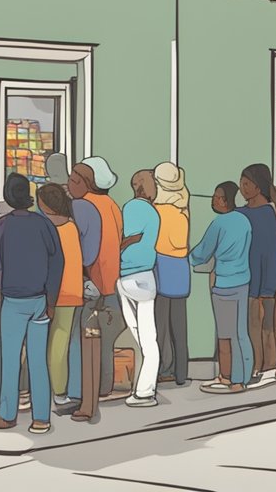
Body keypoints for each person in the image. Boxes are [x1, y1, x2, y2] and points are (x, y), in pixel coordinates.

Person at [0, 174, 63, 434]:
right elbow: (57, 263)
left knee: (10, 359)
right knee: (38, 359)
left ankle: (7, 415)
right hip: (40, 299)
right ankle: (41, 417)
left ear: (8, 197)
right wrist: (51, 299)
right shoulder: (44, 225)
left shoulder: (2, 227)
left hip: (13, 300)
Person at [61, 157, 124, 411]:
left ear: (88, 184)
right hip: (112, 281)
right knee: (105, 339)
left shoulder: (81, 206)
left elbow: (83, 252)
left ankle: (79, 391)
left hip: (89, 281)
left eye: (76, 179)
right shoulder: (112, 205)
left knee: (79, 338)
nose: (70, 182)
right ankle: (103, 386)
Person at [191, 182, 254, 393]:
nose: (213, 200)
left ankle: (228, 377)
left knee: (225, 334)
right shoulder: (244, 221)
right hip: (242, 281)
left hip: (223, 284)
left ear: (227, 200)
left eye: (218, 197)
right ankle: (242, 376)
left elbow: (202, 252)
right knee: (241, 332)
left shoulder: (219, 223)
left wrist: (187, 258)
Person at [238, 164, 276, 387]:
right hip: (249, 276)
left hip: (266, 276)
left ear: (258, 187)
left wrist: (270, 282)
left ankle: (268, 365)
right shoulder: (241, 213)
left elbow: (271, 251)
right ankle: (257, 365)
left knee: (265, 325)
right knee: (253, 324)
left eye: (247, 184)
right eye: (242, 183)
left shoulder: (270, 214)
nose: (242, 188)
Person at [37, 183, 82, 409]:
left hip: (48, 293)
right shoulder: (71, 226)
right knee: (61, 344)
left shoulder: (44, 228)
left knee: (43, 344)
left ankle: (48, 391)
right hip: (71, 291)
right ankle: (60, 392)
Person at [118, 170, 161, 407]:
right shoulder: (152, 212)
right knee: (147, 338)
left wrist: (116, 248)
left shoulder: (131, 207)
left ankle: (144, 390)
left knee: (141, 337)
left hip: (126, 275)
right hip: (145, 276)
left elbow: (131, 237)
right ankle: (144, 389)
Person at [152, 163, 191, 387]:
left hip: (161, 268)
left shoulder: (157, 211)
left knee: (160, 327)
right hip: (180, 270)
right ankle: (181, 372)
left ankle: (160, 369)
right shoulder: (182, 210)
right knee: (179, 326)